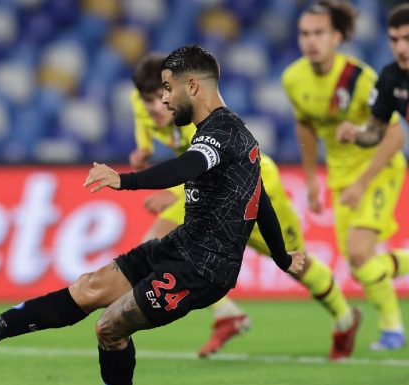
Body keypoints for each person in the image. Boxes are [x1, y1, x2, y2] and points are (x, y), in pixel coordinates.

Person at [0, 45, 305, 385]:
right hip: (181, 244)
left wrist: (124, 180)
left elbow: (185, 168)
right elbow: (262, 200)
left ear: (193, 87)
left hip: (204, 268)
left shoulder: (221, 133)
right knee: (90, 286)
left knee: (110, 326)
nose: (165, 100)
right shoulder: (224, 133)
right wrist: (282, 257)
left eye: (168, 89)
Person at [129, 53, 359, 359]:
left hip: (257, 185)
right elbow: (143, 121)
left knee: (294, 263)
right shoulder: (143, 104)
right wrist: (143, 147)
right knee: (158, 246)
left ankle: (345, 319)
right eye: (149, 99)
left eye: (162, 96)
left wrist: (171, 192)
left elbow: (200, 162)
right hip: (212, 192)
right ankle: (227, 314)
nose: (157, 106)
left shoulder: (194, 118)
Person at [283, 0, 409, 350]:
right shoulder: (293, 79)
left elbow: (395, 134)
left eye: (319, 33)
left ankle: (391, 328)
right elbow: (305, 126)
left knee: (358, 252)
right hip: (340, 177)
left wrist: (363, 181)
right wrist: (311, 179)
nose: (311, 41)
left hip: (378, 168)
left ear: (337, 36)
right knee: (358, 264)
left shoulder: (359, 78)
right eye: (305, 33)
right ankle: (393, 329)